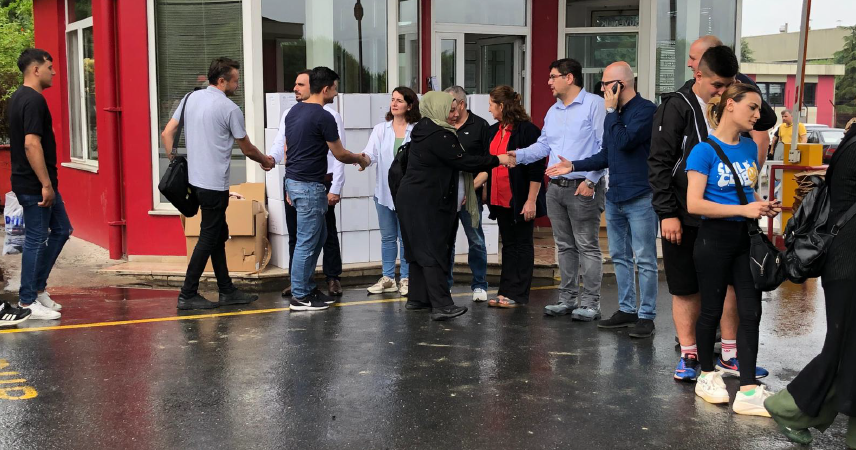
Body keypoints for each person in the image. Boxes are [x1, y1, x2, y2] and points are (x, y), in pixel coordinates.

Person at [649, 46, 770, 381]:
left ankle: (729, 353)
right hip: (684, 214)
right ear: (698, 75)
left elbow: (765, 120)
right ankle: (689, 355)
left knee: (731, 288)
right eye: (718, 85)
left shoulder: (738, 112)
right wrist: (667, 213)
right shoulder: (677, 105)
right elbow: (659, 163)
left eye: (729, 85)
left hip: (727, 223)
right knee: (686, 287)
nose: (722, 91)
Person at [544, 62, 659, 338]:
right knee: (619, 256)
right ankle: (627, 309)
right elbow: (606, 154)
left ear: (621, 84)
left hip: (640, 195)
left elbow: (625, 141)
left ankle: (646, 315)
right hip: (616, 195)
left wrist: (609, 112)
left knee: (644, 258)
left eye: (607, 83)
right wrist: (574, 166)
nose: (602, 88)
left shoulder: (645, 110)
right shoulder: (615, 113)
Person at [686, 83, 780, 416]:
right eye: (752, 107)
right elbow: (694, 204)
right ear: (730, 105)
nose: (757, 114)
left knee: (751, 313)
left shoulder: (749, 147)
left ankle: (749, 389)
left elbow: (747, 190)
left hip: (745, 239)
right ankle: (706, 376)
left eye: (758, 109)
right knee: (710, 311)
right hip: (713, 239)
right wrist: (744, 209)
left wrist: (761, 204)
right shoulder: (703, 151)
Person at [763, 125, 856, 447]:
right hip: (848, 265)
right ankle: (789, 409)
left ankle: (793, 410)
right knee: (842, 351)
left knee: (846, 351)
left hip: (845, 263)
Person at [162, 57, 272, 310]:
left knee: (218, 234)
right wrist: (265, 161)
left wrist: (174, 160)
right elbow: (247, 148)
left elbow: (167, 133)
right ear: (222, 81)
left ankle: (226, 290)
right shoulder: (229, 109)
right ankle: (187, 293)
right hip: (214, 185)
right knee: (208, 236)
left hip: (194, 181)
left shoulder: (190, 98)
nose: (238, 85)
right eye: (235, 80)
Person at [395, 92, 513, 321]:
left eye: (456, 108)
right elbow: (464, 161)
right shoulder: (439, 134)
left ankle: (418, 299)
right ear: (437, 109)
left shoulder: (423, 128)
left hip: (411, 198)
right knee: (432, 251)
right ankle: (442, 305)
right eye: (449, 109)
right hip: (425, 200)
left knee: (418, 251)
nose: (454, 113)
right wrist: (499, 159)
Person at [508, 58, 606, 322]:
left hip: (583, 186)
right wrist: (518, 155)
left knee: (587, 246)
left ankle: (591, 303)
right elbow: (543, 146)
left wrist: (591, 181)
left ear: (569, 77)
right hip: (555, 187)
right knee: (564, 246)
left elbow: (604, 147)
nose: (549, 82)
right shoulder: (553, 111)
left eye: (553, 76)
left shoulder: (594, 105)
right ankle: (567, 299)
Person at [284, 66, 370, 312]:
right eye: (334, 88)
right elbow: (340, 154)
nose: (336, 93)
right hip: (310, 187)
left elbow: (289, 151)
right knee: (306, 242)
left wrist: (289, 185)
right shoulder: (324, 117)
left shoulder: (294, 112)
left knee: (319, 237)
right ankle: (300, 295)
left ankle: (308, 288)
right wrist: (361, 159)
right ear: (325, 89)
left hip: (298, 182)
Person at [269, 70, 345, 298]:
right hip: (300, 182)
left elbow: (338, 155)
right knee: (300, 237)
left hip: (321, 181)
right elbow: (281, 145)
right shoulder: (291, 113)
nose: (295, 88)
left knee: (324, 234)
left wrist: (336, 187)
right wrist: (270, 160)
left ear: (313, 86)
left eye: (300, 84)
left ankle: (331, 278)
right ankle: (300, 287)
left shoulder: (330, 115)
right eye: (295, 84)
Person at [5, 48, 66, 322]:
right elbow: (31, 144)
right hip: (35, 185)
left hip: (36, 183)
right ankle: (27, 301)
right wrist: (45, 185)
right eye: (49, 67)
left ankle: (38, 289)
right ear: (36, 69)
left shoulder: (19, 97)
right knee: (36, 239)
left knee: (62, 229)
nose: (54, 72)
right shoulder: (33, 100)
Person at [483, 85, 545, 308]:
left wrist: (531, 200)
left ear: (501, 106)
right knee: (508, 245)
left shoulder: (528, 131)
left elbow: (536, 169)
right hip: (499, 198)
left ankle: (518, 294)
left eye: (491, 104)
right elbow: (488, 164)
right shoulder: (493, 130)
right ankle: (505, 291)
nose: (489, 109)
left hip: (519, 198)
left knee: (522, 244)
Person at [363, 86, 421, 296]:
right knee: (388, 238)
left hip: (409, 194)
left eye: (399, 100)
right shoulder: (381, 129)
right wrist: (361, 160)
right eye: (393, 99)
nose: (394, 104)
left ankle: (406, 278)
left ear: (410, 105)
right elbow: (370, 154)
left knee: (406, 238)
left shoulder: (417, 130)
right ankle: (388, 278)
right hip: (384, 193)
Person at [686, 35, 776, 166]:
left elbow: (762, 135)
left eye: (693, 58)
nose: (689, 63)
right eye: (717, 85)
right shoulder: (682, 99)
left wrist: (751, 174)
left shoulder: (741, 87)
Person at [443, 86, 491, 302]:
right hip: (446, 194)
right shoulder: (442, 124)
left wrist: (470, 190)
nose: (449, 111)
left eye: (451, 105)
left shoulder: (480, 126)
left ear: (461, 104)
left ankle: (480, 285)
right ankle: (445, 285)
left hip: (471, 194)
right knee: (446, 242)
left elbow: (488, 164)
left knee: (476, 240)